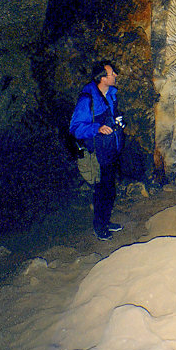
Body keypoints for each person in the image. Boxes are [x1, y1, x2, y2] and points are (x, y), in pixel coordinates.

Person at [70, 60, 125, 240]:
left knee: (110, 189)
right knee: (102, 191)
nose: (115, 75)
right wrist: (97, 128)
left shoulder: (110, 95)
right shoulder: (87, 100)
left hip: (110, 150)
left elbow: (110, 117)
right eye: (111, 74)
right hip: (98, 153)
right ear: (102, 78)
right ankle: (99, 227)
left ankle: (106, 221)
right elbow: (76, 128)